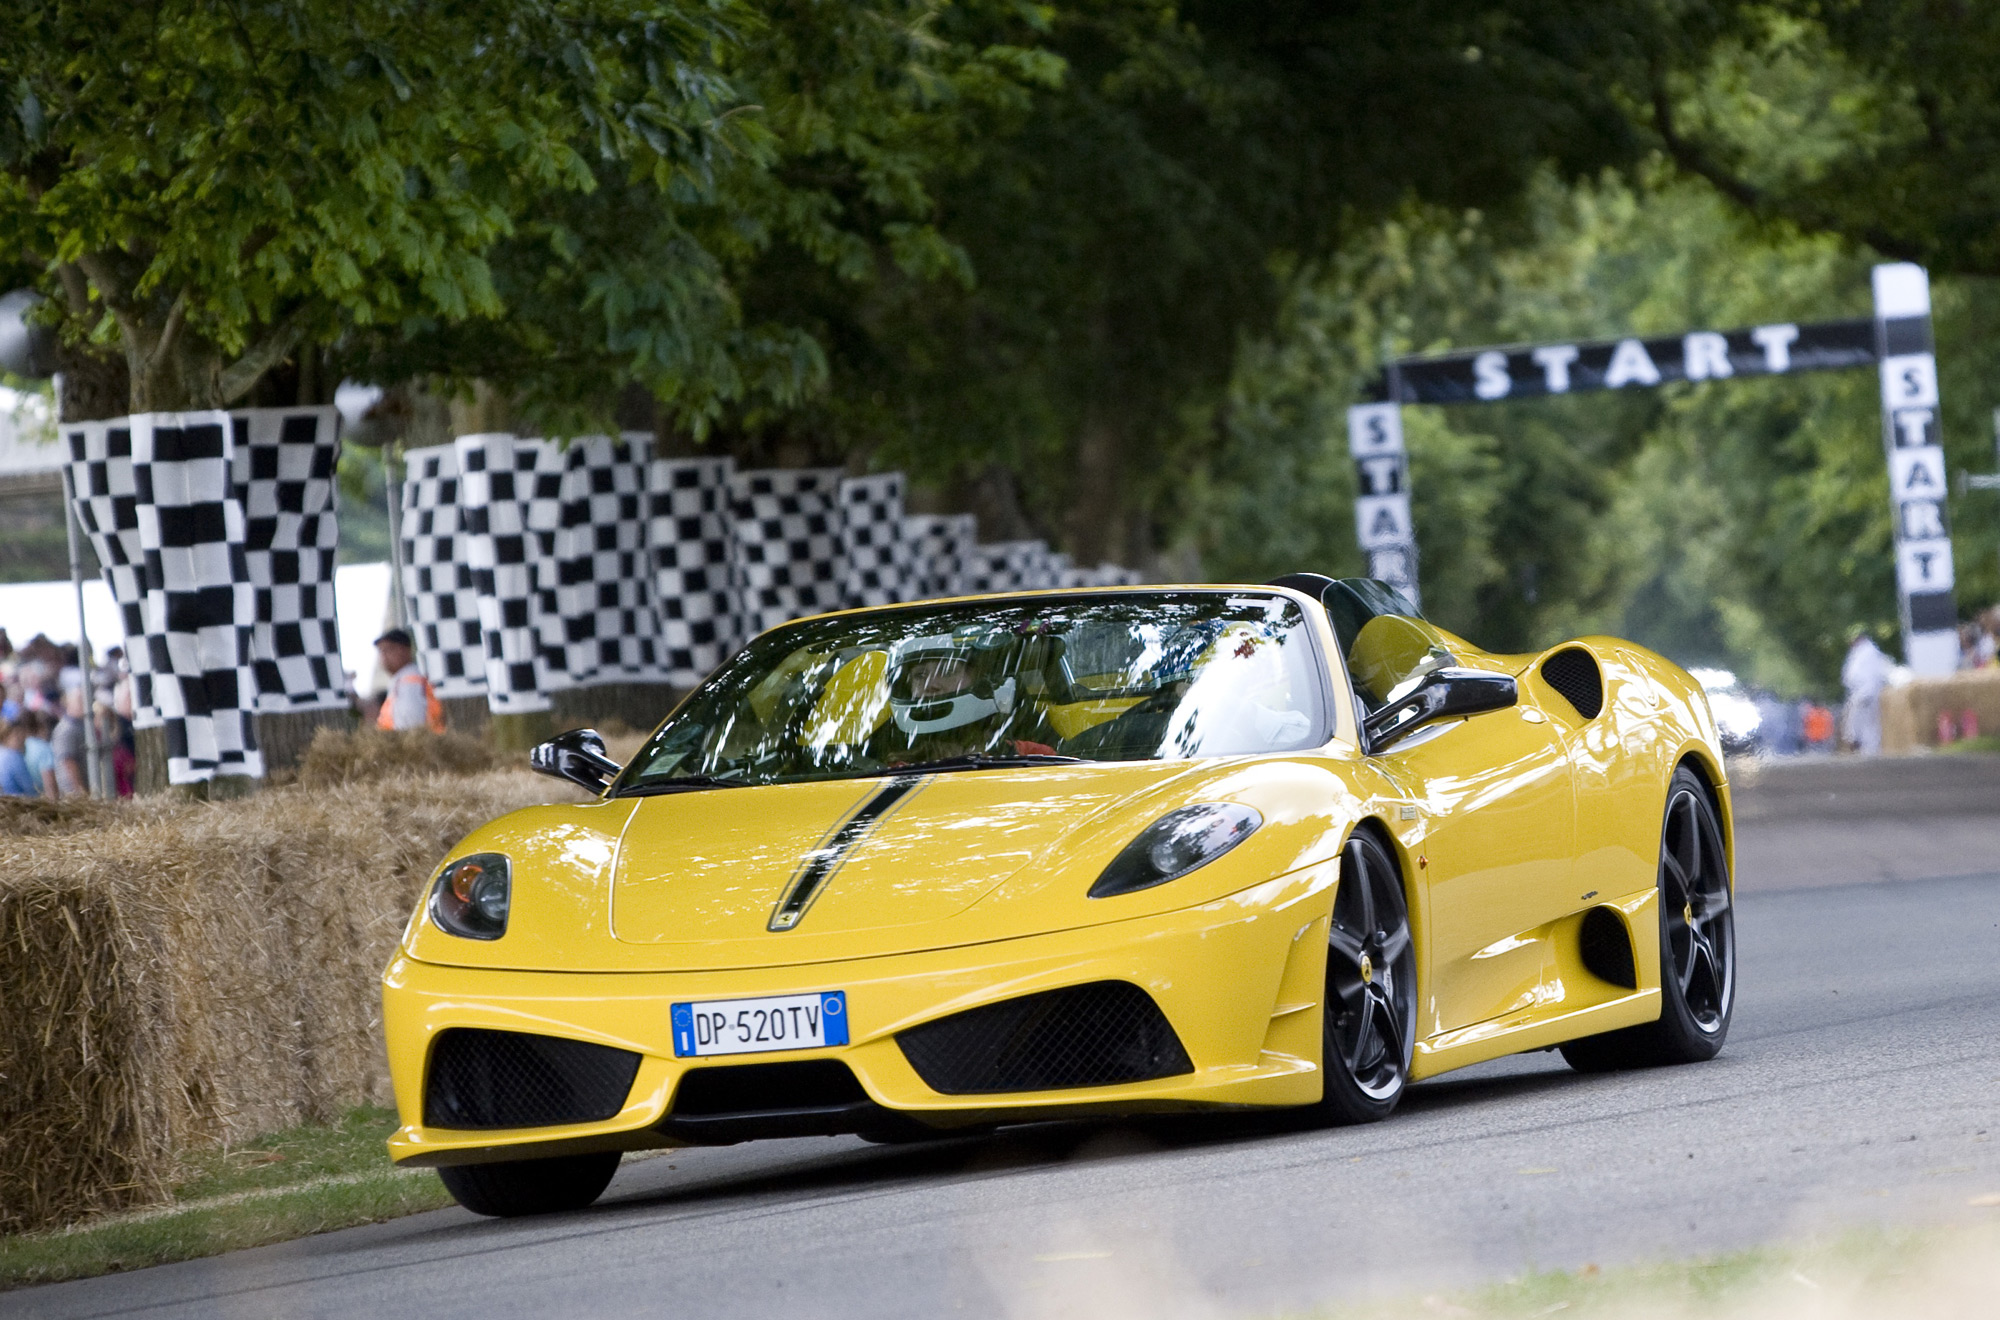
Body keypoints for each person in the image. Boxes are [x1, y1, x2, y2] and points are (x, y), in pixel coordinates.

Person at [374, 629, 445, 733]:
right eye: (381, 650)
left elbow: (411, 726)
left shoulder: (409, 682)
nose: (384, 656)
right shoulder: (404, 680)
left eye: (389, 649)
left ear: (405, 650)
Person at [1840, 630, 1893, 756]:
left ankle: (1864, 749)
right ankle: (1870, 750)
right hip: (1871, 691)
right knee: (1869, 723)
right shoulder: (1872, 652)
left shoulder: (1862, 653)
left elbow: (1852, 675)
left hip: (1862, 692)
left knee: (1859, 722)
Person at [21, 709, 57, 798]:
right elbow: (49, 781)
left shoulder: (20, 746)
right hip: (40, 800)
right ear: (40, 726)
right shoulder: (43, 748)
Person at [0, 719, 37, 796]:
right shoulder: (14, 757)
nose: (22, 739)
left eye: (22, 734)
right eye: (17, 735)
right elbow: (29, 788)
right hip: (17, 803)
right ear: (6, 737)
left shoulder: (2, 753)